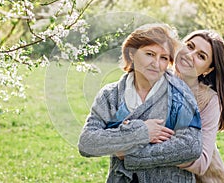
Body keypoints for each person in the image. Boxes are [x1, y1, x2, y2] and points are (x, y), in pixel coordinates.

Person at [78, 23, 202, 182]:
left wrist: (128, 155)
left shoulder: (180, 94)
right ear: (131, 54)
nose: (156, 64)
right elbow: (87, 143)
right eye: (150, 54)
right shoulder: (111, 95)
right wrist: (142, 132)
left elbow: (191, 147)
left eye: (163, 58)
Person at [123, 29, 224, 183]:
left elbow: (202, 163)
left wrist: (143, 147)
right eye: (189, 46)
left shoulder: (209, 100)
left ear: (208, 69)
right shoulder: (155, 74)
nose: (190, 55)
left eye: (201, 56)